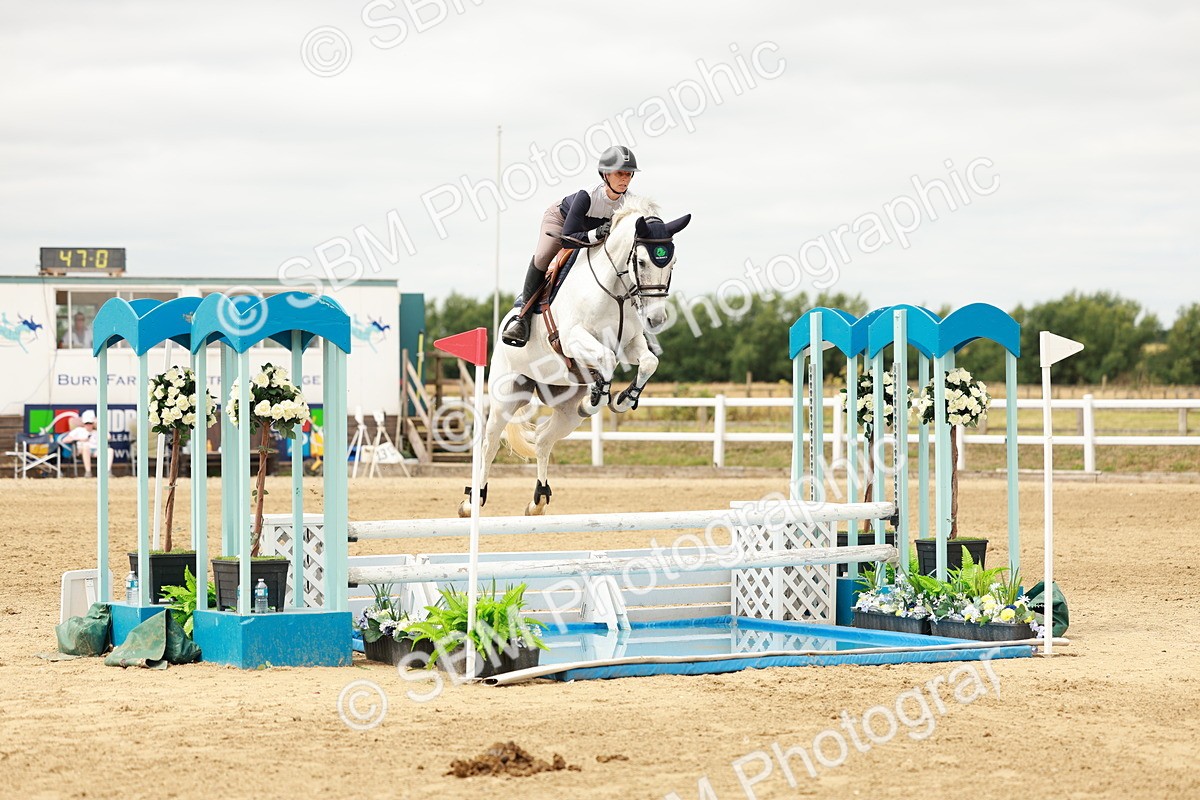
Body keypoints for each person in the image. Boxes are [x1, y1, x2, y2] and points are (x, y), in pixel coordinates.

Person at [500, 145, 640, 347]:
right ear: (605, 174)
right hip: (562, 222)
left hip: (590, 232)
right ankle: (523, 318)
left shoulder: (630, 202)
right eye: (620, 173)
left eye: (629, 174)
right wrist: (596, 233)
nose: (625, 178)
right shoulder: (588, 196)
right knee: (542, 257)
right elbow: (567, 239)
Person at [61, 409, 101, 477]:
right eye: (86, 423)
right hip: (82, 450)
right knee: (86, 446)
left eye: (90, 423)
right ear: (83, 423)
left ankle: (107, 472)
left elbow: (108, 437)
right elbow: (64, 440)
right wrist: (80, 439)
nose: (88, 425)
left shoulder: (97, 431)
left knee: (109, 450)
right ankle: (88, 472)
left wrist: (99, 425)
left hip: (96, 451)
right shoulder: (78, 430)